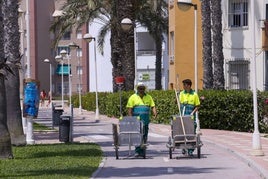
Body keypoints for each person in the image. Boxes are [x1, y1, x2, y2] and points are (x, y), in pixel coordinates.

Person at [126, 82, 157, 157]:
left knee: (145, 134)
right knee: (137, 135)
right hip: (136, 120)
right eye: (140, 88)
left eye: (143, 88)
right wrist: (131, 118)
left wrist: (155, 113)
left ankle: (143, 150)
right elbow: (130, 108)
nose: (141, 90)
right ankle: (137, 151)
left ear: (144, 89)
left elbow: (153, 106)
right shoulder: (133, 97)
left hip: (145, 120)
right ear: (137, 89)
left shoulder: (148, 97)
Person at [179, 79, 200, 156]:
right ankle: (183, 147)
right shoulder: (181, 94)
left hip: (191, 115)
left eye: (184, 85)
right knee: (182, 131)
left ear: (188, 85)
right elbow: (178, 104)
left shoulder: (194, 94)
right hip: (183, 114)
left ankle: (190, 150)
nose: (183, 86)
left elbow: (197, 106)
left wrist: (192, 113)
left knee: (191, 132)